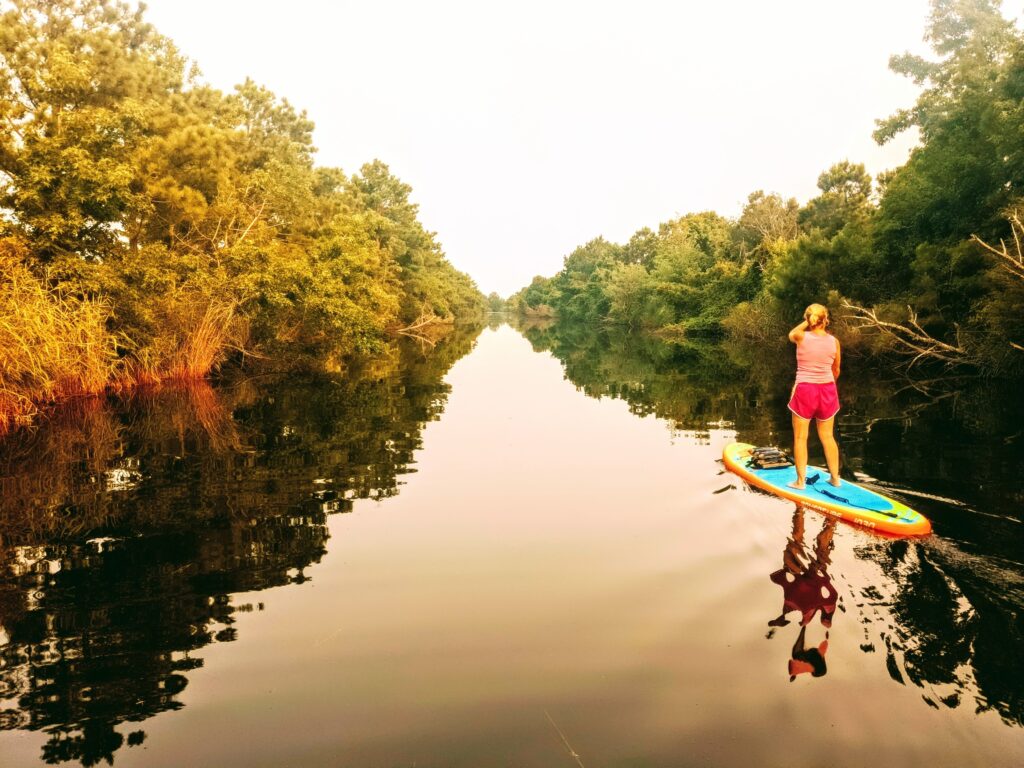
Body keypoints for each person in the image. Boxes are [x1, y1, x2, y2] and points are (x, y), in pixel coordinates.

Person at [787, 303, 841, 489]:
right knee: (828, 436)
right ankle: (835, 478)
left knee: (801, 438)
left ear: (809, 319)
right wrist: (825, 382)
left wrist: (806, 322)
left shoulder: (801, 336)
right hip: (827, 390)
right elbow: (836, 370)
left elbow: (791, 333)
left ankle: (800, 482)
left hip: (805, 390)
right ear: (826, 319)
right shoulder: (834, 342)